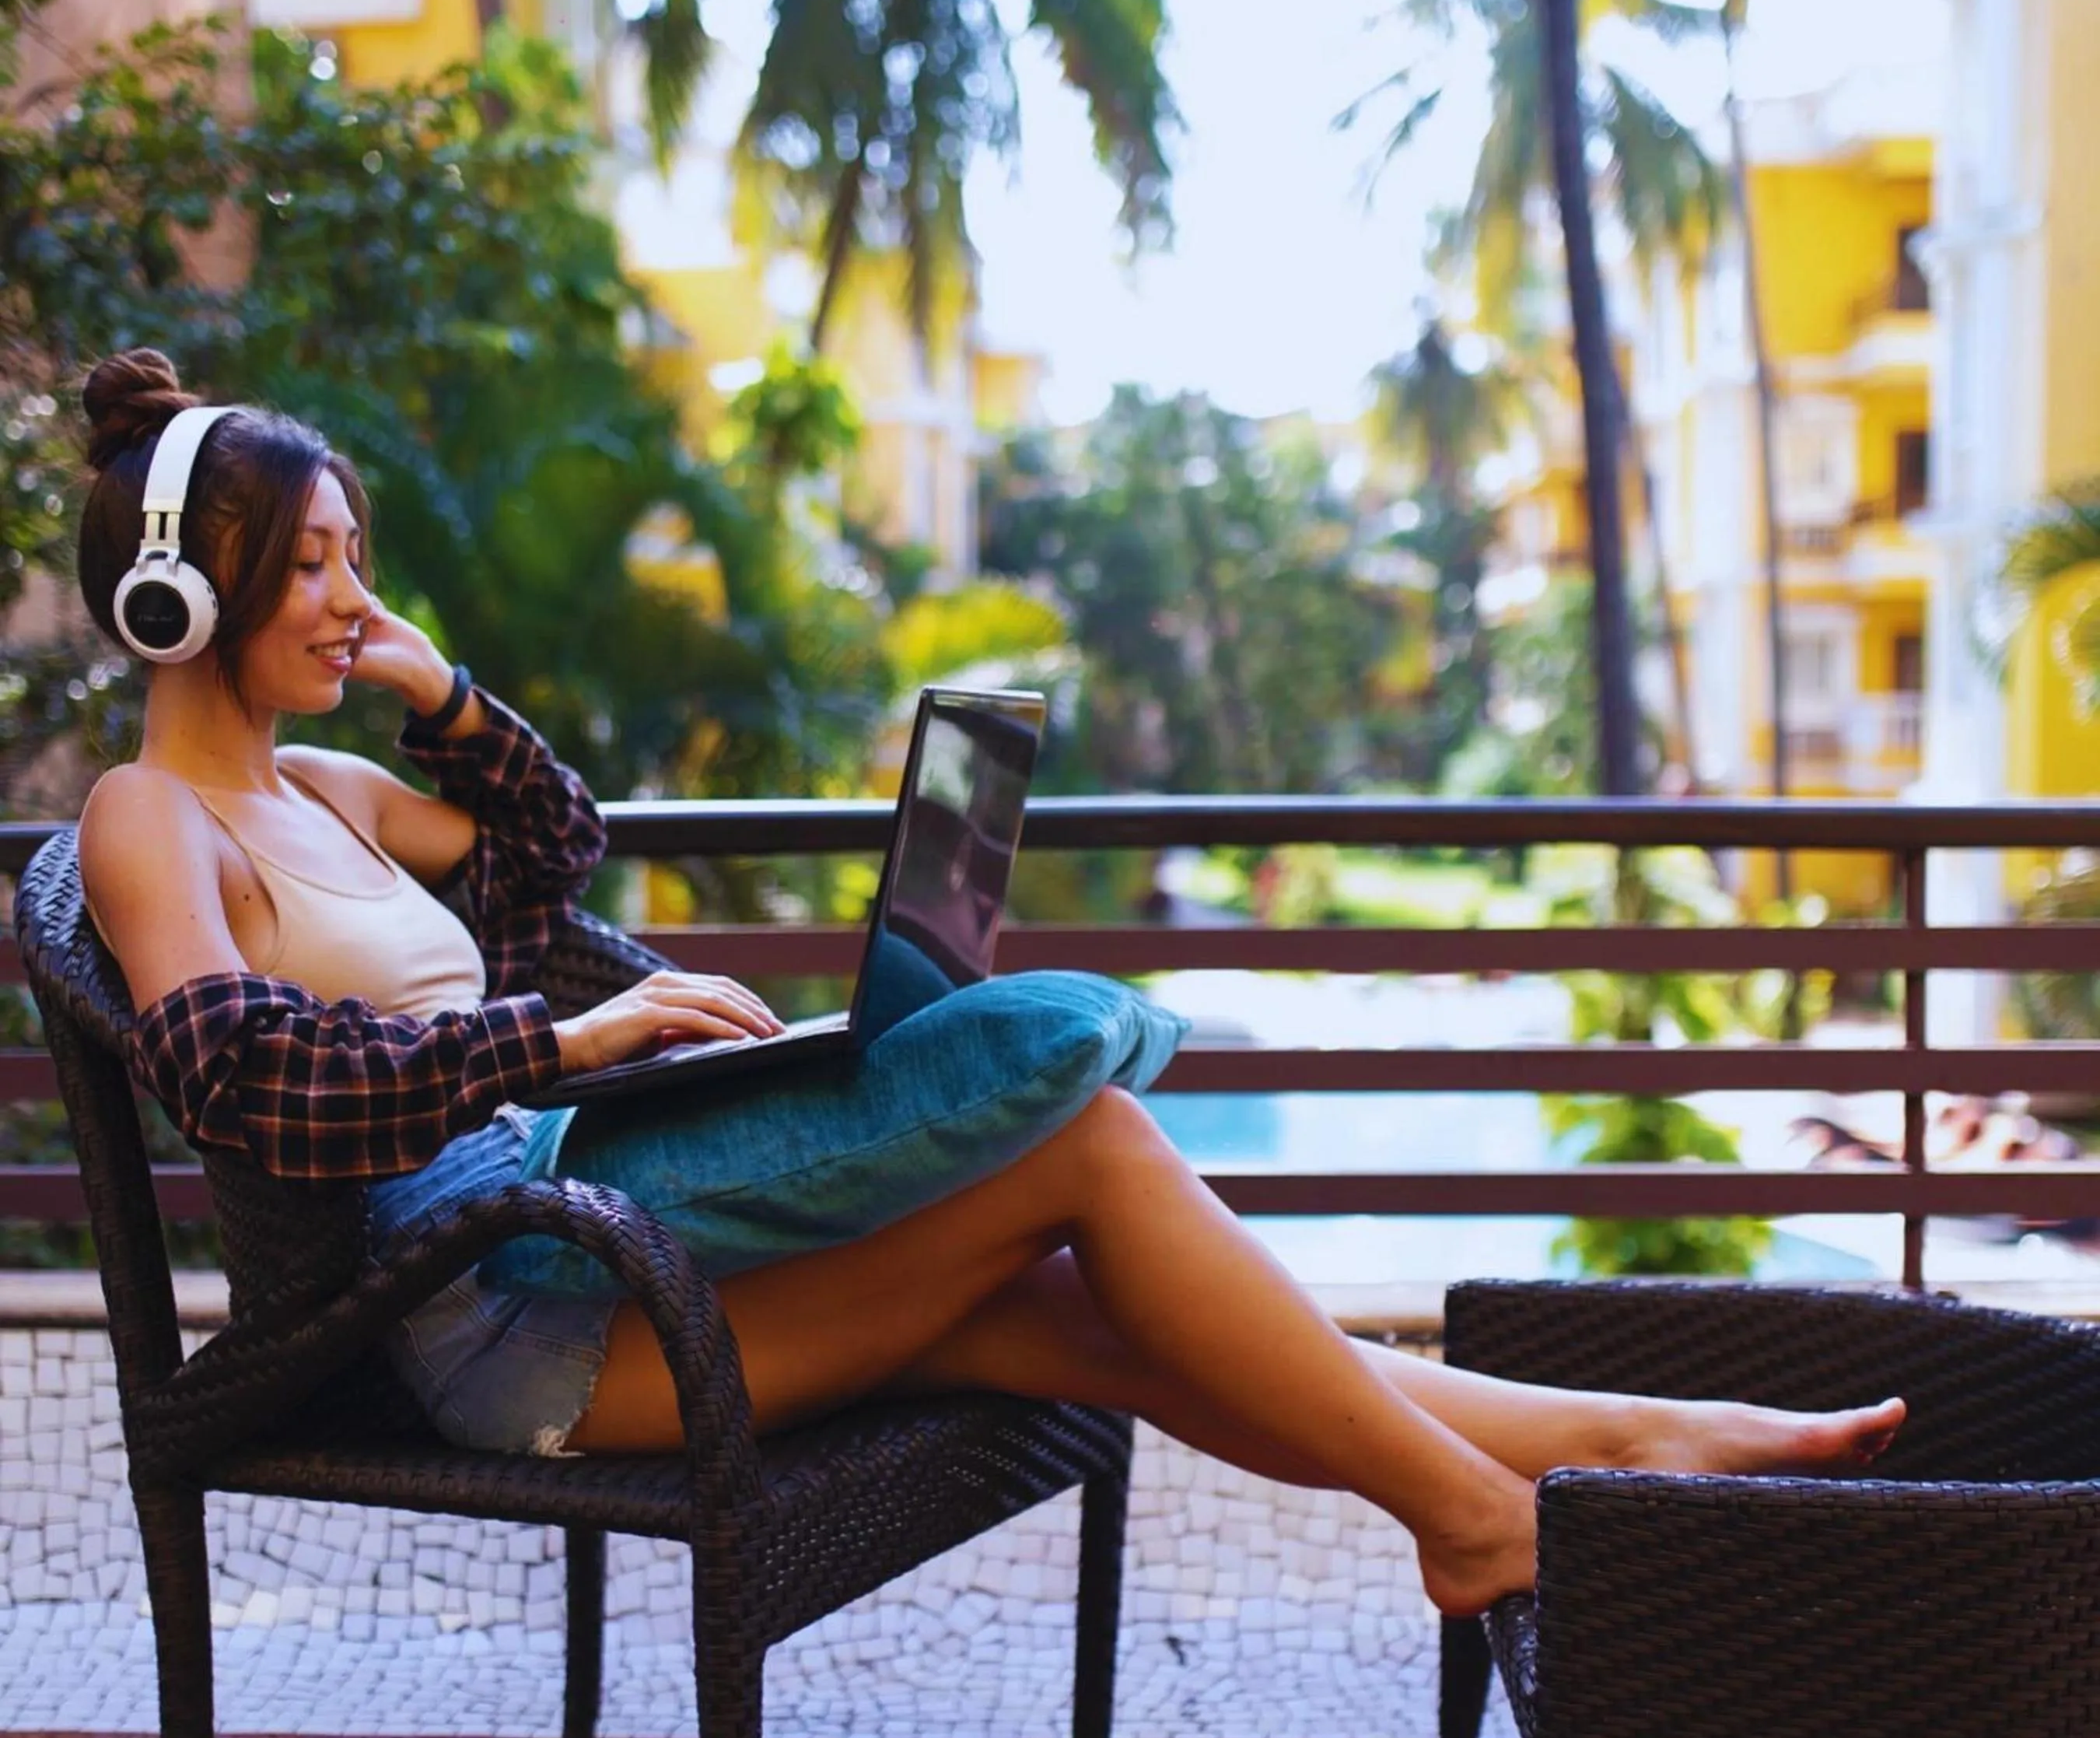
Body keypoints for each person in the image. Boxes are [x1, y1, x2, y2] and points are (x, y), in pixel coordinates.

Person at [72, 349, 1906, 1619]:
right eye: (307, 567)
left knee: (1072, 1304)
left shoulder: (319, 787)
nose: (340, 598)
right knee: (1088, 1153)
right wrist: (561, 1039)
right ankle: (1481, 1515)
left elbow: (550, 855)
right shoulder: (148, 819)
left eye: (350, 563)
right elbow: (244, 1078)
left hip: (563, 1228)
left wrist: (438, 690)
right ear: (181, 592)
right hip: (487, 1322)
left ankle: (1613, 1450)